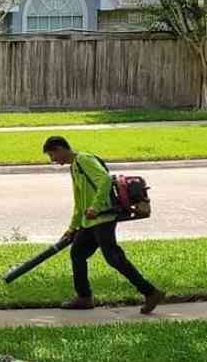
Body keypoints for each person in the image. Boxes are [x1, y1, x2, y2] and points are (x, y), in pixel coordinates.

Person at [42, 135, 164, 315]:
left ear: (60, 149)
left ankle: (151, 292)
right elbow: (80, 201)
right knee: (78, 253)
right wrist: (72, 227)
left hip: (103, 217)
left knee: (114, 258)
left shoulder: (84, 159)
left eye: (53, 155)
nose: (53, 160)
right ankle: (84, 298)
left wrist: (96, 207)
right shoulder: (75, 167)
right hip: (90, 221)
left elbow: (105, 180)